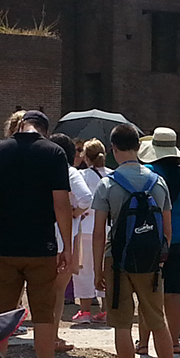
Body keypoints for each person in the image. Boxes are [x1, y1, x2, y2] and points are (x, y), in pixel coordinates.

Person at [0, 109, 73, 358]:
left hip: (4, 246)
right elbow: (61, 203)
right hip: (41, 246)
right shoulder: (54, 153)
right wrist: (67, 246)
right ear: (45, 130)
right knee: (44, 317)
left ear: (19, 125)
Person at [92, 123, 180, 358]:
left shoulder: (108, 183)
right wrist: (160, 257)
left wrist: (98, 268)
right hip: (150, 261)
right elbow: (167, 229)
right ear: (139, 147)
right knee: (157, 321)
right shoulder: (157, 182)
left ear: (113, 148)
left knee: (122, 324)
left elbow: (99, 232)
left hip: (117, 259)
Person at [142, 126, 180, 345]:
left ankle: (143, 343)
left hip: (152, 236)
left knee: (148, 293)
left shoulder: (148, 172)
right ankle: (174, 342)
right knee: (175, 291)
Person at [49, 132, 90, 356]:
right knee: (57, 291)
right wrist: (74, 213)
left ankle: (41, 335)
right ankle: (52, 337)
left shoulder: (40, 170)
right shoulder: (69, 172)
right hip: (62, 237)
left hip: (37, 234)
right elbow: (86, 198)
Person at [70, 139, 108, 325]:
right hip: (107, 227)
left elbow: (77, 199)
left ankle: (85, 311)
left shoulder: (81, 175)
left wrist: (75, 212)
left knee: (84, 270)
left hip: (85, 227)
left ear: (86, 156)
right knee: (105, 268)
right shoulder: (112, 175)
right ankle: (106, 310)